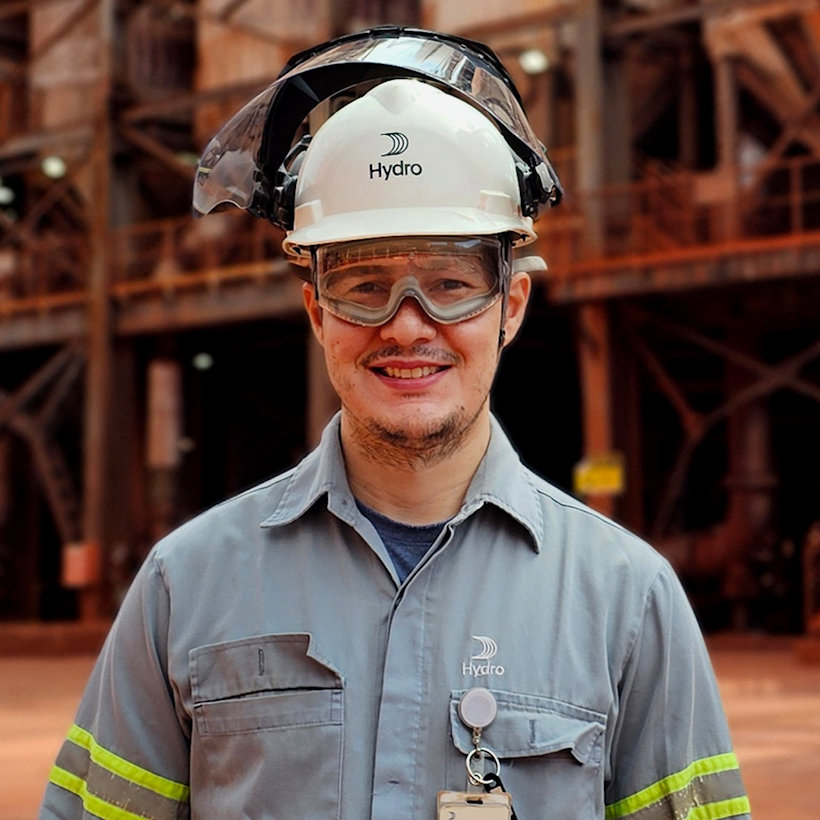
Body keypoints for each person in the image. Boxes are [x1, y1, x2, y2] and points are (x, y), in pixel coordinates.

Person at [41, 26, 750, 820]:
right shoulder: (185, 587)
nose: (407, 324)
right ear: (317, 311)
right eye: (363, 285)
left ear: (512, 305)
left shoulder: (627, 601)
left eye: (450, 282)